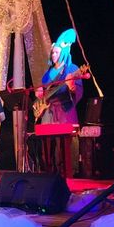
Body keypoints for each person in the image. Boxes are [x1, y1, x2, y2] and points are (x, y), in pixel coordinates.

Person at [31, 30, 84, 175]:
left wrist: (72, 87)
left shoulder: (72, 69)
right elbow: (43, 94)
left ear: (64, 52)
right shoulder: (47, 74)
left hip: (64, 110)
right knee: (48, 145)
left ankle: (68, 173)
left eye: (56, 52)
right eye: (52, 53)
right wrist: (39, 95)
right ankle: (50, 171)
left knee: (65, 145)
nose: (53, 55)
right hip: (48, 111)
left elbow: (77, 92)